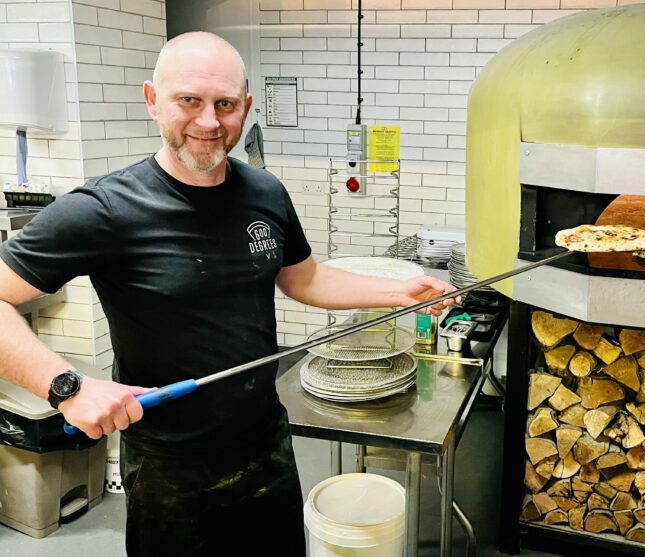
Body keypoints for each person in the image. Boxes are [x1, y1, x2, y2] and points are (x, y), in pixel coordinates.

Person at [0, 32, 458, 556]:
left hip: (266, 446)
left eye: (225, 104)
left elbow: (303, 279)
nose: (209, 122)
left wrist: (401, 291)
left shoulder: (264, 192)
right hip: (170, 467)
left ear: (246, 106)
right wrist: (67, 387)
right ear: (152, 100)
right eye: (189, 101)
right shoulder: (104, 209)